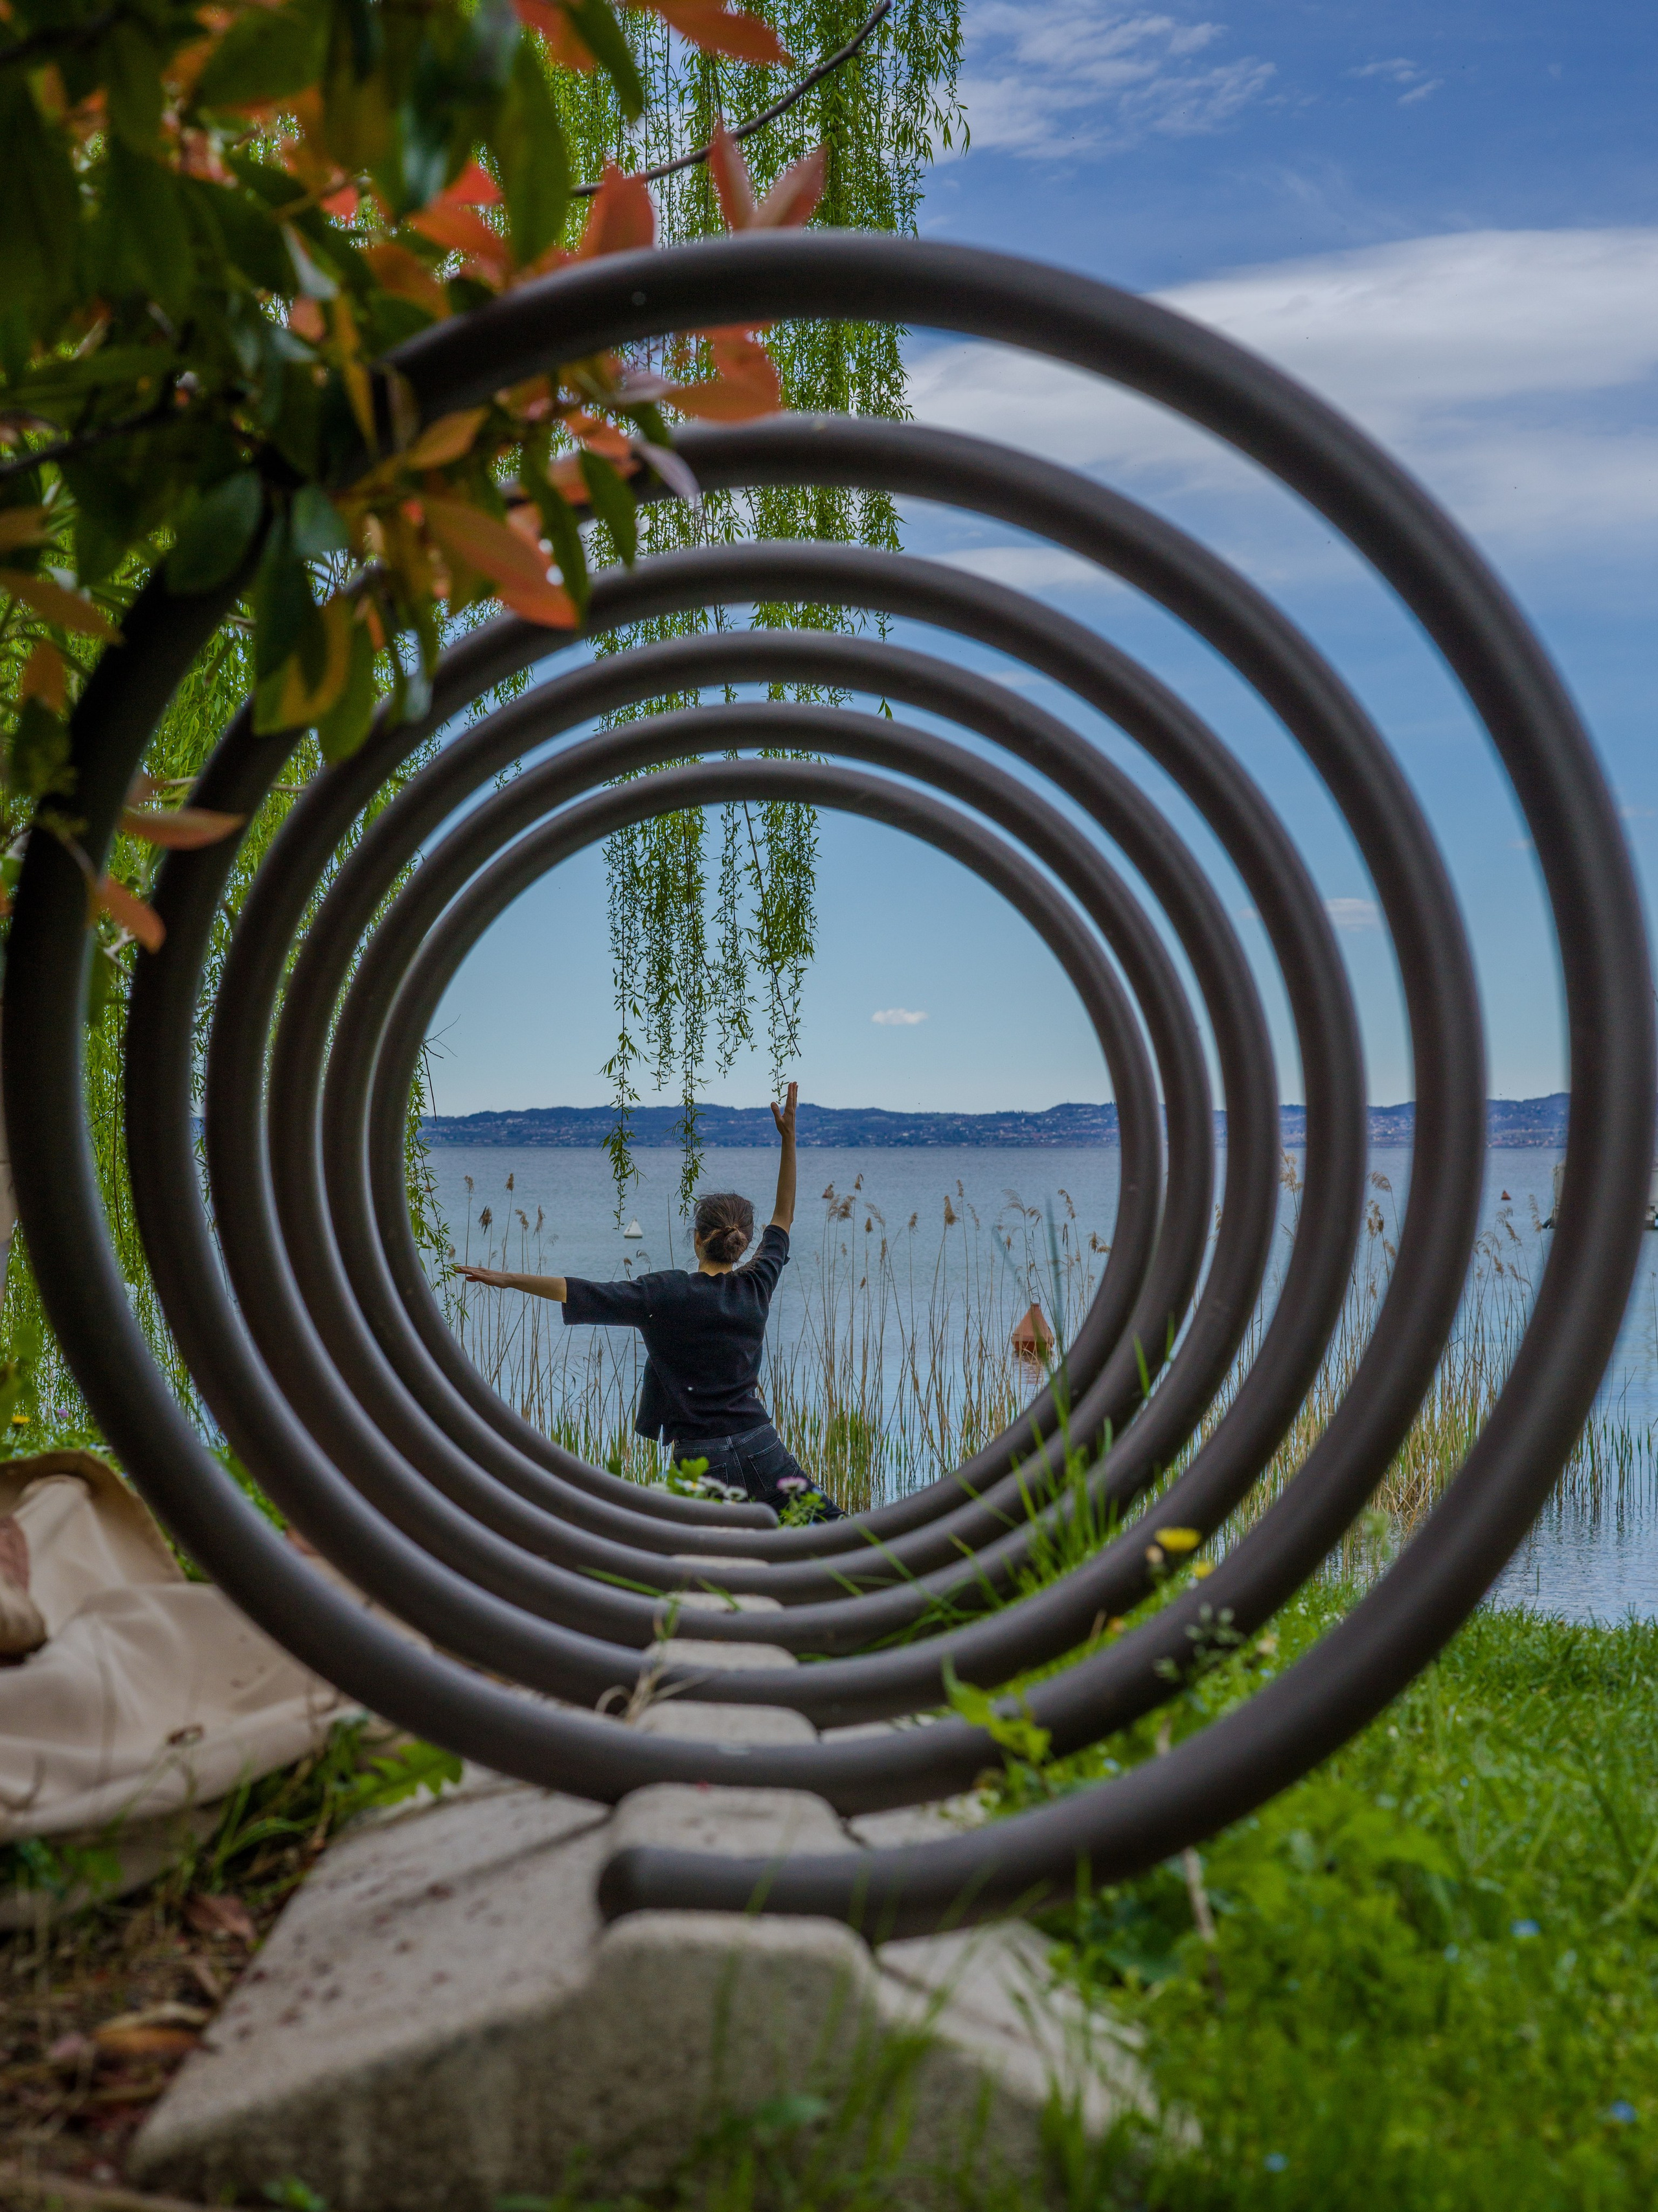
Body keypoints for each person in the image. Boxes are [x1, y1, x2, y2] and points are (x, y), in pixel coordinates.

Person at [453, 1083, 843, 1520]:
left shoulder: (664, 1293)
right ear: (744, 1242)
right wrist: (789, 1139)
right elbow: (784, 1216)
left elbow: (579, 1291)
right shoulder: (757, 1284)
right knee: (832, 1530)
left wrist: (507, 1278)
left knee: (696, 1552)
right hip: (760, 1445)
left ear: (697, 1239)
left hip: (700, 1460)